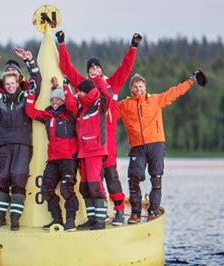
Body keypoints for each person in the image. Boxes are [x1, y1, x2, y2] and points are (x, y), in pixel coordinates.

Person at [56, 30, 142, 226]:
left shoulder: (110, 85)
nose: (94, 69)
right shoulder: (84, 85)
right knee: (89, 181)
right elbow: (66, 68)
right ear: (87, 73)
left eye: (97, 67)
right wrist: (61, 43)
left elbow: (125, 68)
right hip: (87, 143)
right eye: (90, 68)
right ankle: (94, 217)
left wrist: (133, 47)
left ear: (101, 70)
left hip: (106, 140)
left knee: (111, 175)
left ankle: (119, 211)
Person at [116, 70, 207, 224]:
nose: (138, 89)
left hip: (156, 144)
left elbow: (174, 92)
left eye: (141, 86)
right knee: (134, 177)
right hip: (137, 146)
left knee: (156, 178)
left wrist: (191, 81)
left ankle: (153, 210)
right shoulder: (124, 105)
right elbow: (106, 112)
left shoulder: (155, 100)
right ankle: (135, 213)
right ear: (131, 89)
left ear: (145, 87)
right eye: (135, 87)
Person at [0, 47, 41, 231]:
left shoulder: (26, 97)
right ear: (4, 84)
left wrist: (30, 61)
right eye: (6, 83)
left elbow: (36, 81)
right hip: (3, 145)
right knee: (2, 179)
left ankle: (14, 218)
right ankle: (0, 217)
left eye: (12, 83)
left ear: (17, 82)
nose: (10, 86)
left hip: (23, 145)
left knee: (18, 178)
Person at [26, 76, 79, 231]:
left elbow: (72, 104)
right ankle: (57, 219)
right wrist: (30, 93)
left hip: (68, 158)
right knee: (46, 190)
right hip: (53, 159)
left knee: (66, 189)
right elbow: (30, 112)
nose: (55, 102)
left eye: (58, 100)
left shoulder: (70, 114)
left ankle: (71, 220)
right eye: (53, 100)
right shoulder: (47, 116)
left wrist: (65, 87)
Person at [66, 79, 109, 230]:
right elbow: (70, 105)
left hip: (95, 150)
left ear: (87, 91)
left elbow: (107, 96)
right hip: (83, 151)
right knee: (85, 187)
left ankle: (100, 220)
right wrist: (65, 87)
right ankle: (92, 218)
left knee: (95, 185)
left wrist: (98, 79)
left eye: (80, 91)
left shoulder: (99, 104)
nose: (77, 94)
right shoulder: (81, 107)